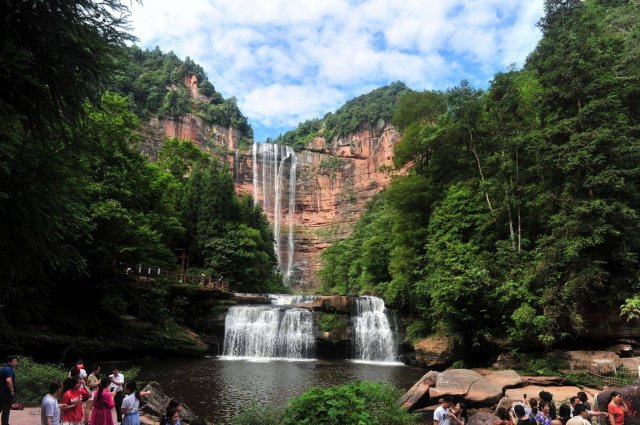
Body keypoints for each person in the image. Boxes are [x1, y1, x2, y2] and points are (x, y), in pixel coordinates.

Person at [0, 356, 17, 425]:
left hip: (1, 393)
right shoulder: (9, 369)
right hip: (6, 394)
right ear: (9, 362)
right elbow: (8, 380)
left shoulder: (2, 369)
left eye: (16, 361)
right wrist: (12, 390)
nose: (16, 363)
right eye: (14, 361)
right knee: (6, 410)